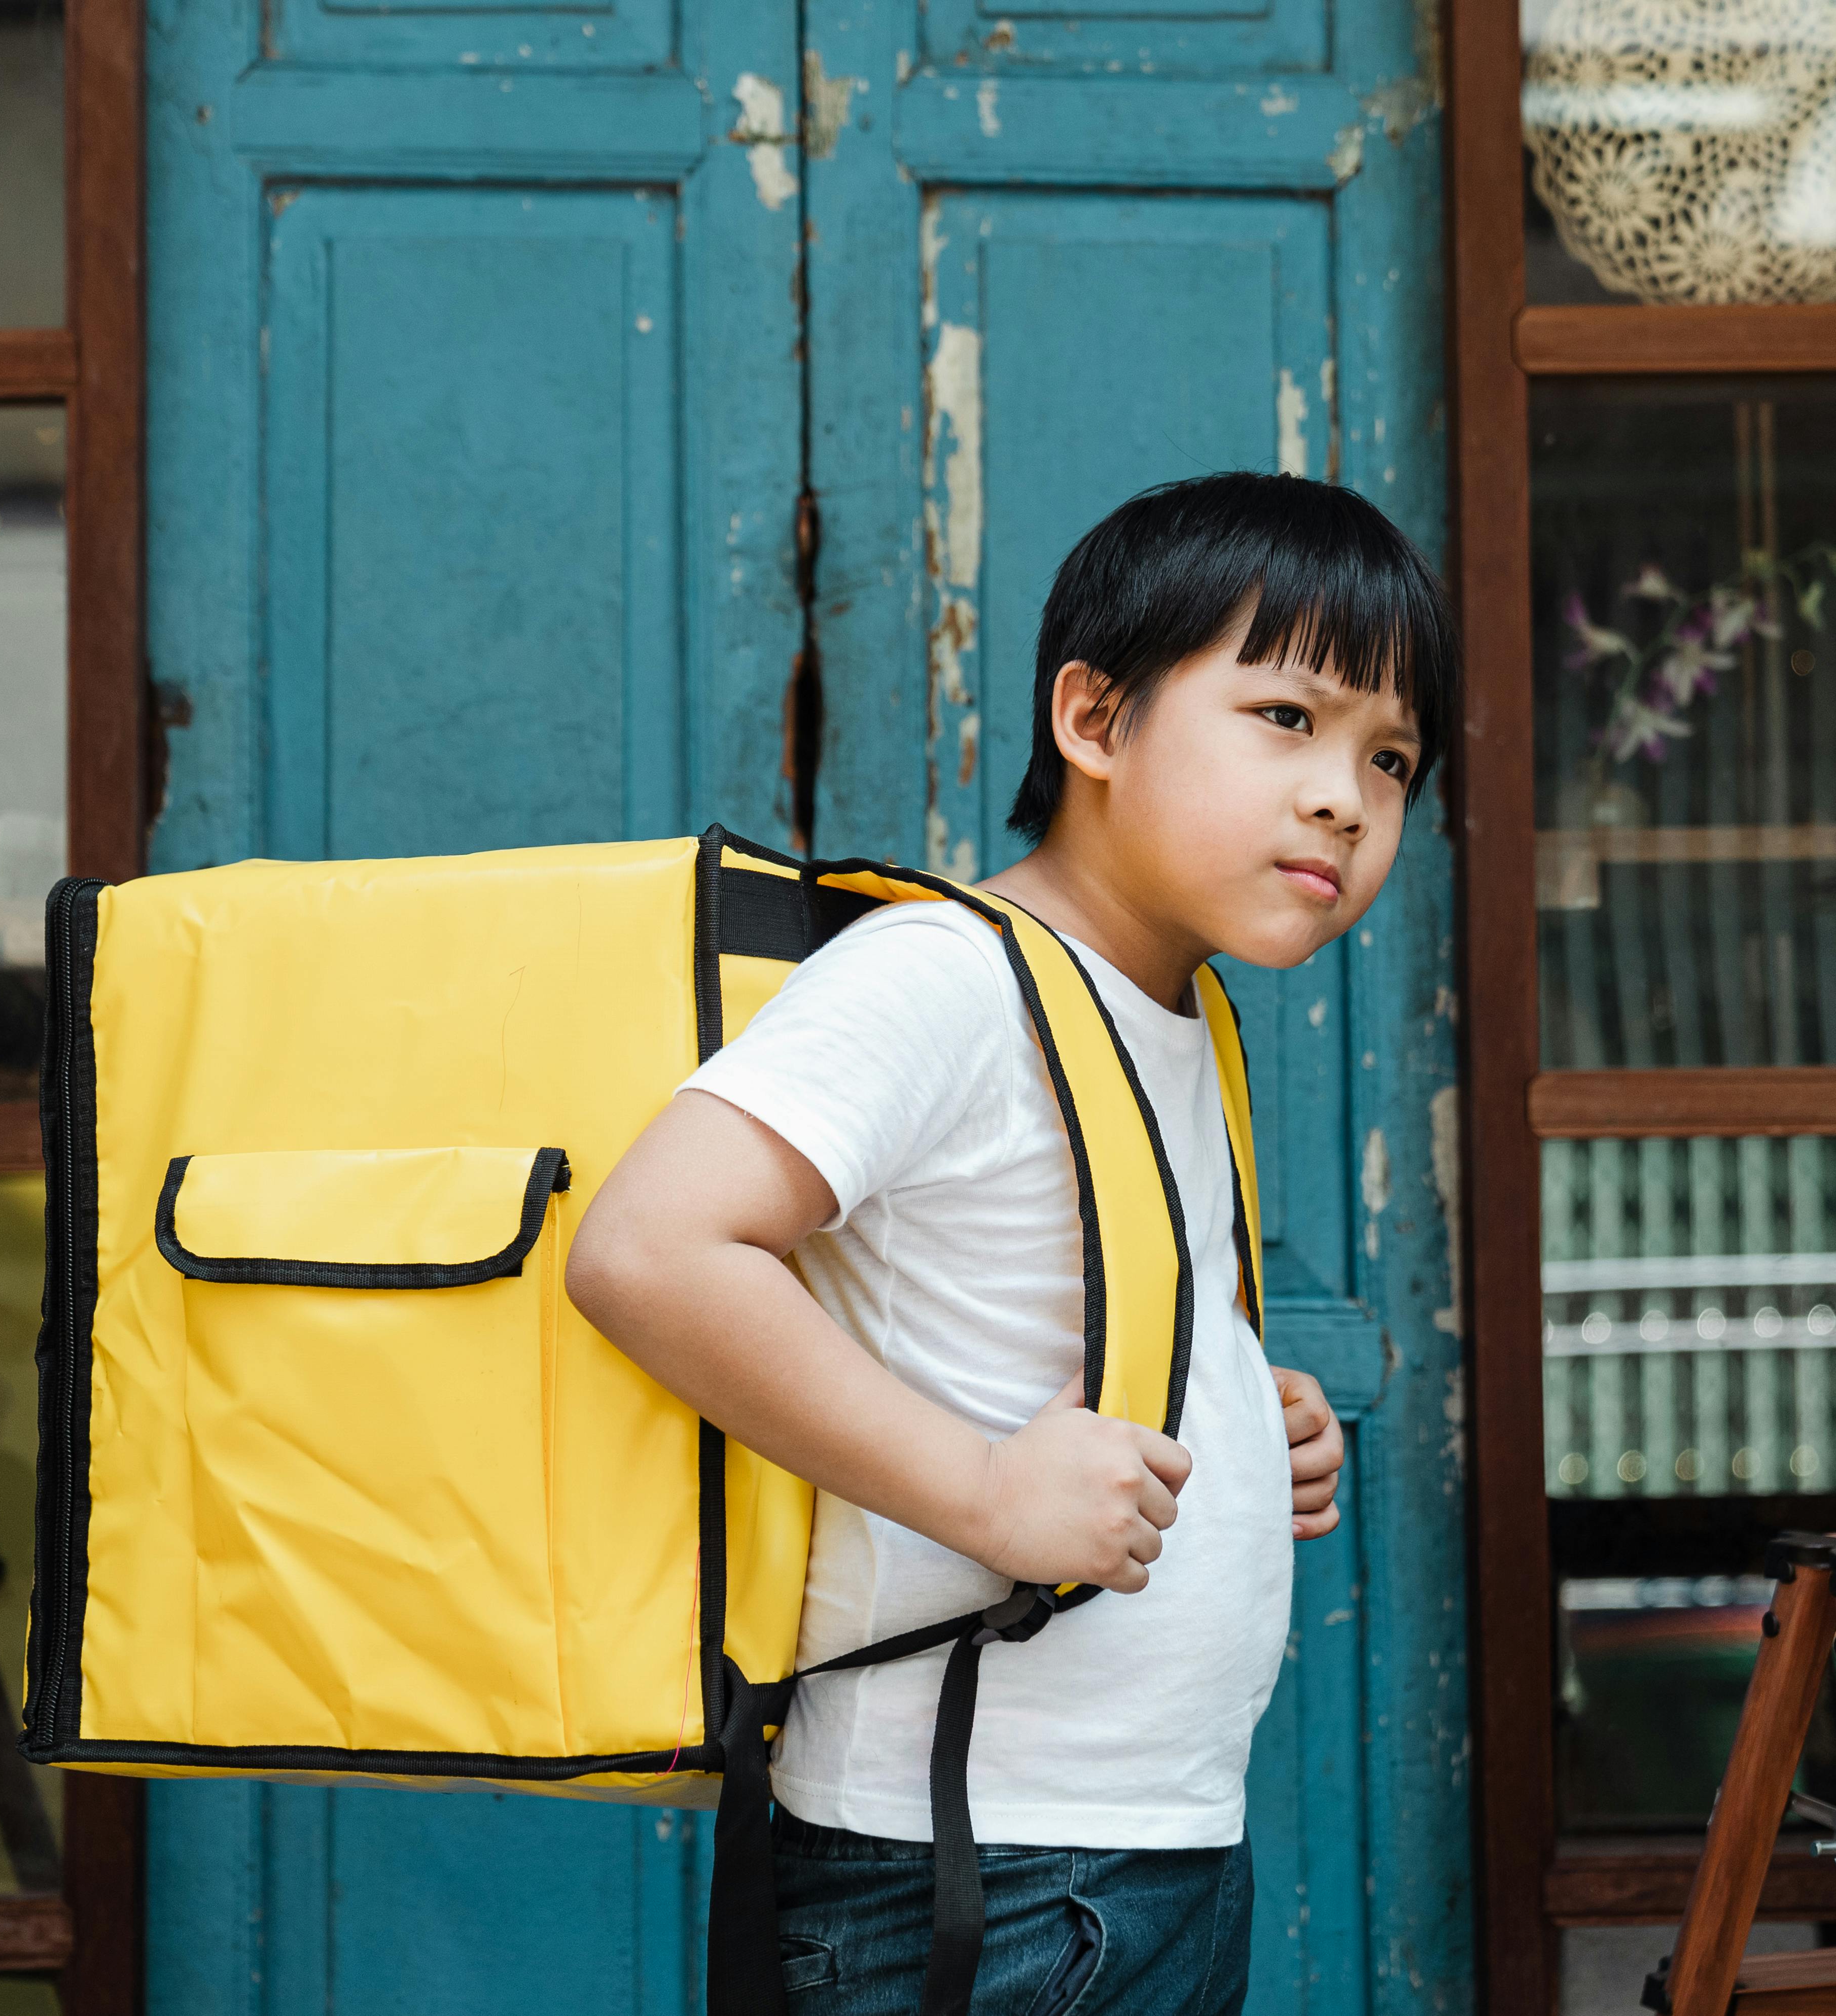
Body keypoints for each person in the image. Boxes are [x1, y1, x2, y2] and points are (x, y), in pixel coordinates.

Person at [566, 471, 1456, 2013]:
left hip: (1145, 1853)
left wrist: (1245, 1411)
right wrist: (982, 1489)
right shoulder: (946, 977)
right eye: (1286, 720)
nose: (1343, 796)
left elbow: (1025, 1304)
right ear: (1093, 721)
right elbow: (648, 1250)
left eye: (1391, 759)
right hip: (971, 1880)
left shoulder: (1178, 1017)